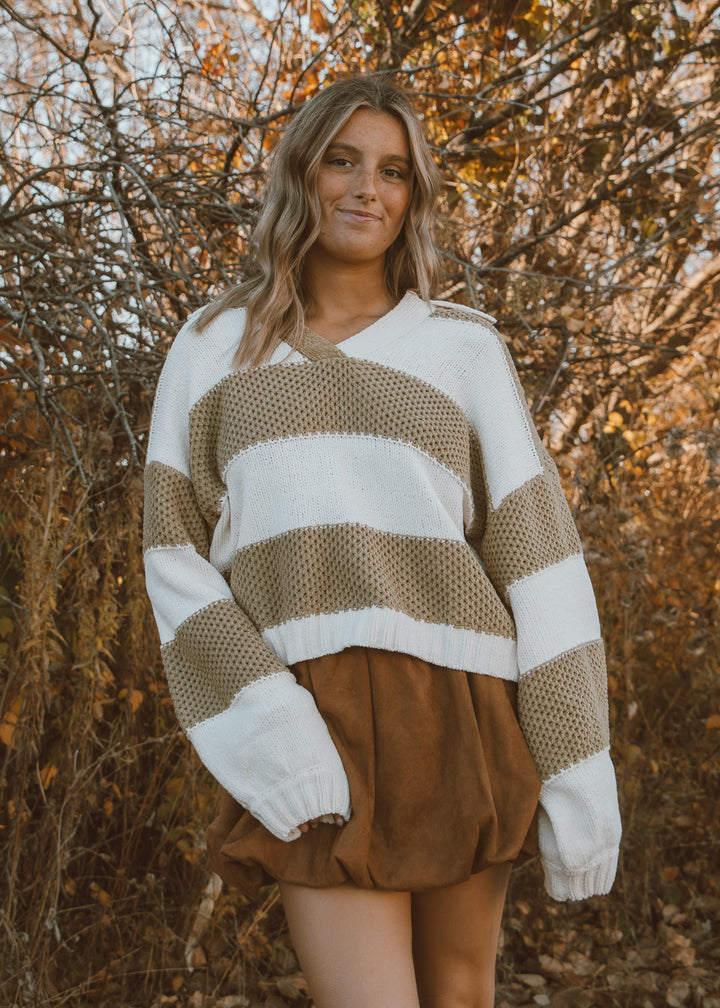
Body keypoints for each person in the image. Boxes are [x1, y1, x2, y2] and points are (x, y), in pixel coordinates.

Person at [143, 76, 622, 1008]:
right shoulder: (212, 348)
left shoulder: (462, 348)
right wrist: (269, 732)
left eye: (394, 171)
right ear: (301, 174)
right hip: (311, 717)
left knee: (460, 997)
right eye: (343, 161)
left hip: (465, 710)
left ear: (414, 198)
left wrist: (579, 767)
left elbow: (540, 560)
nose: (368, 188)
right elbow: (174, 558)